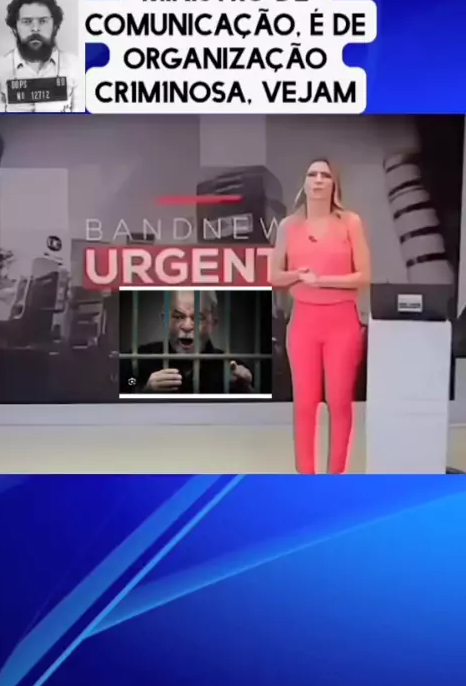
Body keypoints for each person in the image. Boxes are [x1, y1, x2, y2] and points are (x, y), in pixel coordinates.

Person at [270, 159, 371, 474]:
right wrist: (297, 275)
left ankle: (335, 477)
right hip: (304, 323)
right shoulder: (288, 226)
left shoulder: (350, 222)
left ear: (333, 184)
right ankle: (306, 479)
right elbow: (274, 275)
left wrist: (322, 280)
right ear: (304, 183)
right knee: (305, 405)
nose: (317, 180)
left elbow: (364, 276)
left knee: (339, 403)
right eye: (311, 174)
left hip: (342, 322)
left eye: (324, 175)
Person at [122, 289, 254, 395]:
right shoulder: (137, 359)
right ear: (165, 319)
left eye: (198, 318)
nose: (186, 326)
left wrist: (246, 390)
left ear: (213, 323)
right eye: (178, 316)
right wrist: (143, 389)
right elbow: (128, 382)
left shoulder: (232, 370)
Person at [0, 0, 82, 112]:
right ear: (14, 28)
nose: (35, 28)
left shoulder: (76, 67)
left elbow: (82, 120)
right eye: (27, 22)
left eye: (43, 21)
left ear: (55, 26)